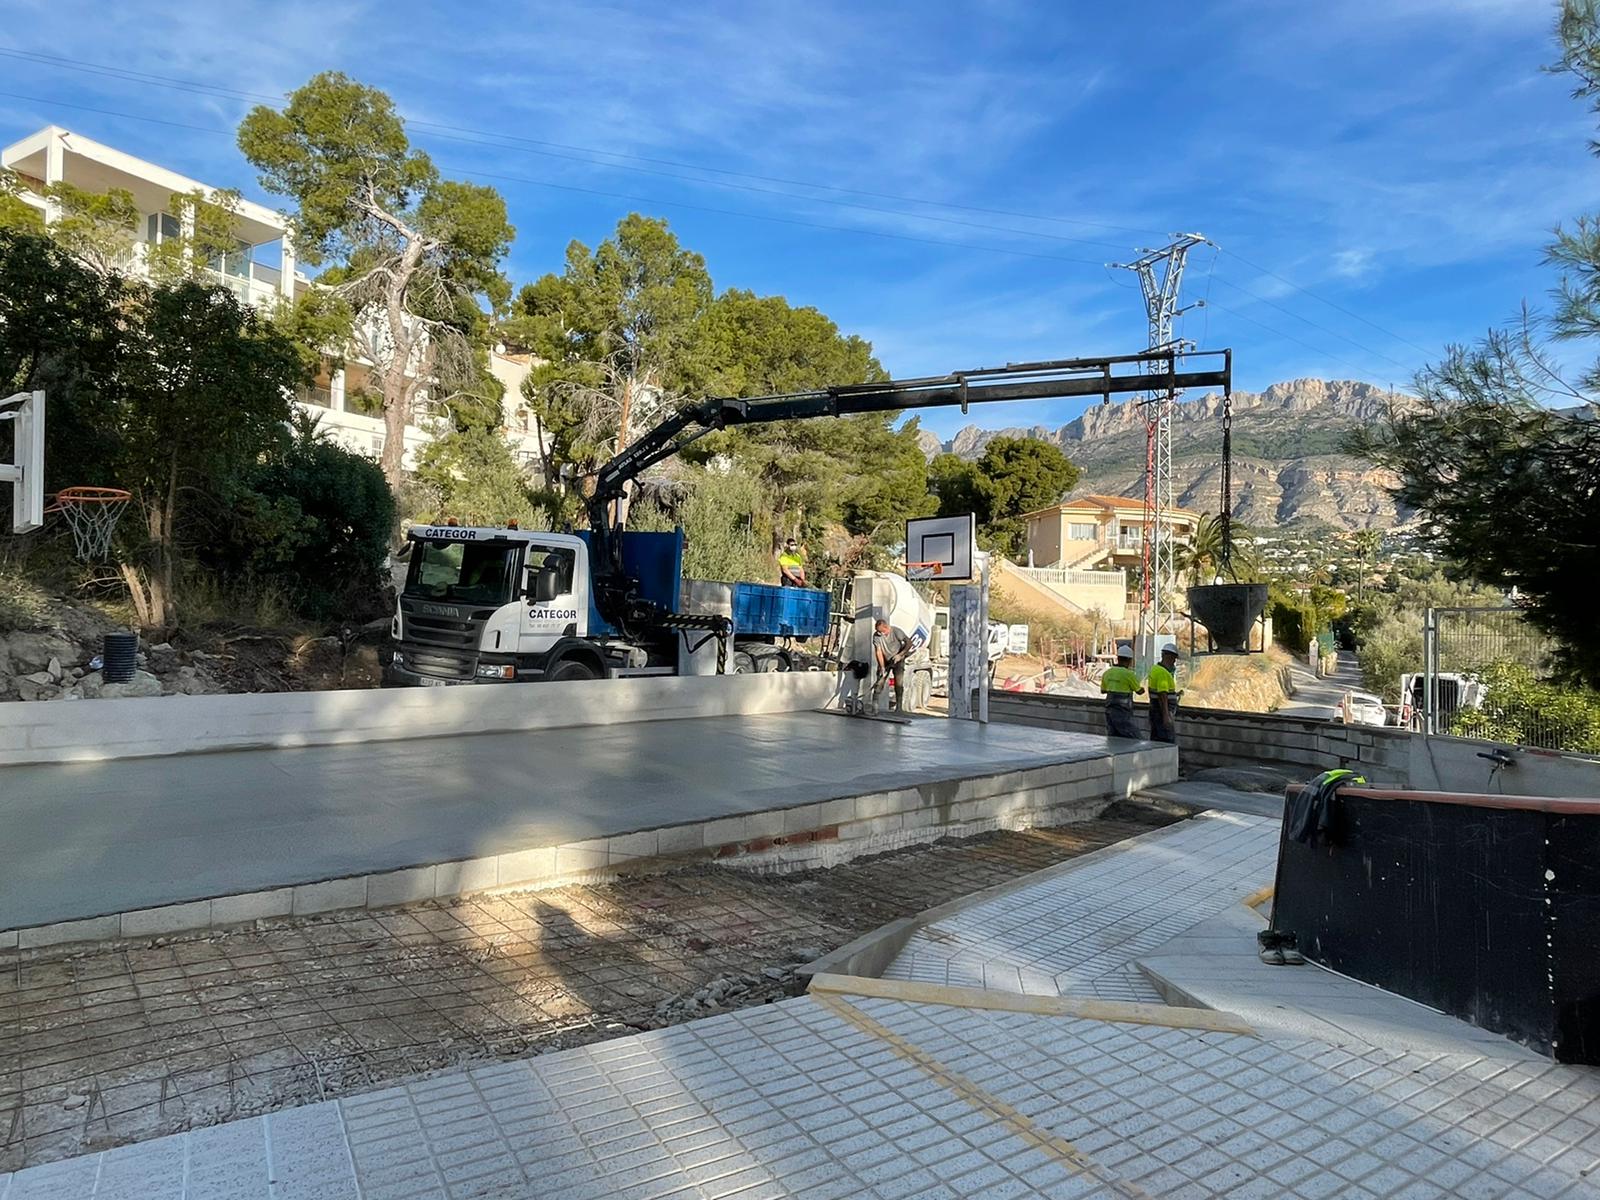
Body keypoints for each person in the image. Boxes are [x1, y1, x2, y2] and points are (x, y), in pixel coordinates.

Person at [1100, 641, 1143, 739]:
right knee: (1133, 737)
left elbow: (1103, 691)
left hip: (1109, 710)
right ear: (1129, 660)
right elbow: (1139, 691)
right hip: (1123, 711)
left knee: (1113, 738)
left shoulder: (1107, 673)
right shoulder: (1129, 674)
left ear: (1118, 658)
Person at [1146, 642, 1182, 744]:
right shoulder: (1163, 673)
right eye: (1174, 658)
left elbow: (1162, 692)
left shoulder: (1155, 669)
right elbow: (1162, 694)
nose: (1174, 662)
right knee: (1166, 740)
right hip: (1161, 712)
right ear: (1169, 656)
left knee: (1156, 740)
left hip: (1155, 710)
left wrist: (1175, 694)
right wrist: (1166, 716)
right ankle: (1167, 759)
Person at [873, 618, 911, 711]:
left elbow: (909, 643)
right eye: (878, 632)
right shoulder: (877, 636)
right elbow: (878, 652)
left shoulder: (896, 631)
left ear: (886, 627)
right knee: (879, 681)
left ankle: (899, 707)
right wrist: (882, 667)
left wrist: (900, 655)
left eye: (882, 632)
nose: (880, 634)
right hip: (886, 660)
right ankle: (874, 707)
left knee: (898, 683)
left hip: (898, 659)